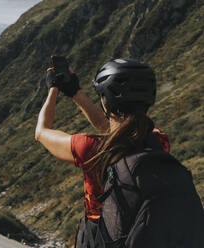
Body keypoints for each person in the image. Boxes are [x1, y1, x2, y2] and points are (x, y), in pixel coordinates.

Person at [35, 58, 171, 245]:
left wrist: (53, 89)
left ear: (106, 101)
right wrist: (75, 93)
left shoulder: (90, 148)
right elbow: (115, 130)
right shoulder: (159, 141)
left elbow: (41, 132)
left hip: (101, 238)